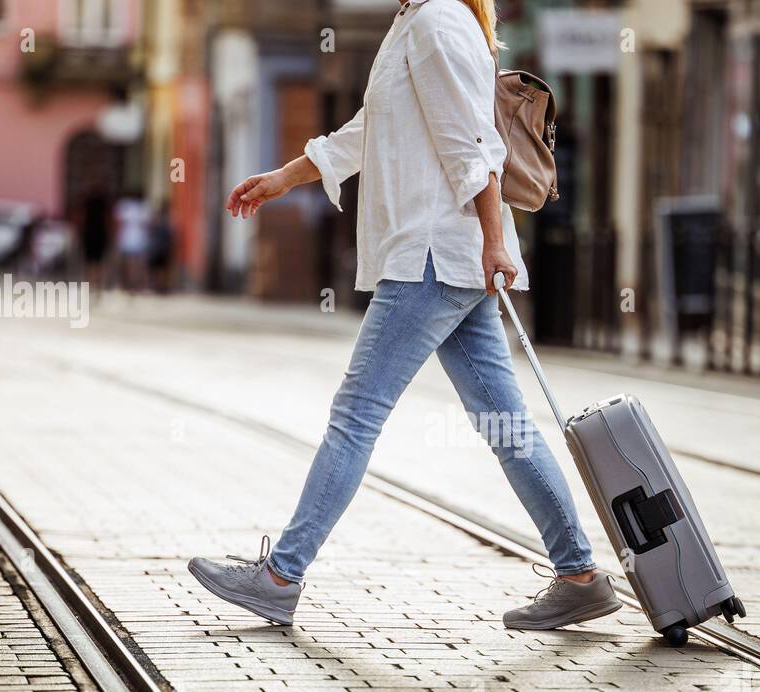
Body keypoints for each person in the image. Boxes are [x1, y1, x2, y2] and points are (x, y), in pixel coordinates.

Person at [188, 0, 620, 631]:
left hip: (433, 254)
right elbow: (370, 132)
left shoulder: (439, 21)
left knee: (357, 413)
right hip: (450, 256)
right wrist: (285, 176)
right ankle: (579, 574)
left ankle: (280, 577)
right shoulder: (419, 21)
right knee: (504, 424)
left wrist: (494, 241)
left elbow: (473, 147)